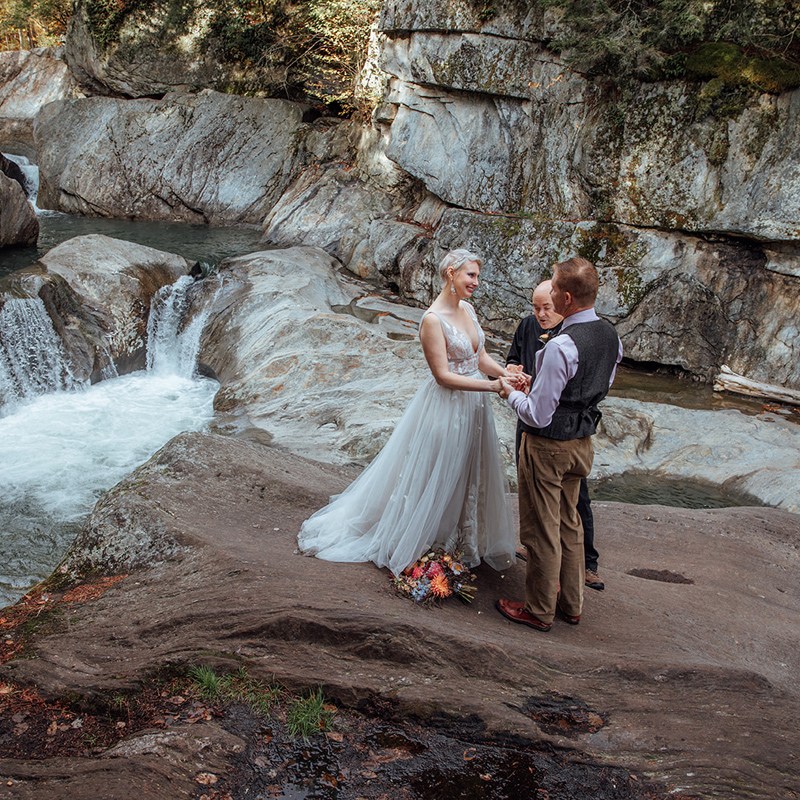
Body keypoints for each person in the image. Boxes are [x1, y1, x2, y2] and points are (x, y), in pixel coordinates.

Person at [297, 248, 521, 576]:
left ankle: (458, 539)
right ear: (451, 274)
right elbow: (442, 376)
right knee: (438, 471)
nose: (476, 281)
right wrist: (493, 387)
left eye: (476, 276)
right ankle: (423, 538)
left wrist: (505, 375)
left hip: (474, 406)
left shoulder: (468, 310)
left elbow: (479, 358)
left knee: (467, 470)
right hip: (446, 407)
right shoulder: (433, 320)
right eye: (470, 275)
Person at [496, 257, 622, 632]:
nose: (548, 293)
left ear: (566, 298)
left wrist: (510, 393)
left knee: (541, 528)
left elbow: (537, 415)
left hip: (548, 447)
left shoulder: (562, 345)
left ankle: (538, 609)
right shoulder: (610, 335)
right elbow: (596, 387)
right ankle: (571, 603)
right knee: (570, 522)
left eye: (552, 288)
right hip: (582, 442)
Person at [506, 280, 605, 591]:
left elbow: (550, 400)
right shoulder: (528, 327)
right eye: (535, 307)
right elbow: (513, 358)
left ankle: (582, 568)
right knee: (530, 493)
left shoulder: (569, 339)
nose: (540, 314)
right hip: (537, 423)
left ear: (564, 304)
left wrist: (512, 394)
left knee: (572, 505)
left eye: (546, 307)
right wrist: (514, 371)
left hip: (554, 430)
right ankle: (542, 558)